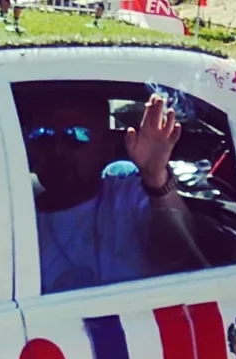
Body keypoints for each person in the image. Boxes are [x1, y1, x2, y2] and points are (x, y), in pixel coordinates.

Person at [20, 88, 197, 294]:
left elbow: (179, 251)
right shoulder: (12, 214)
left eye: (77, 135)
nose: (57, 150)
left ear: (106, 147)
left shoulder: (127, 193)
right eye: (44, 136)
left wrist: (155, 177)